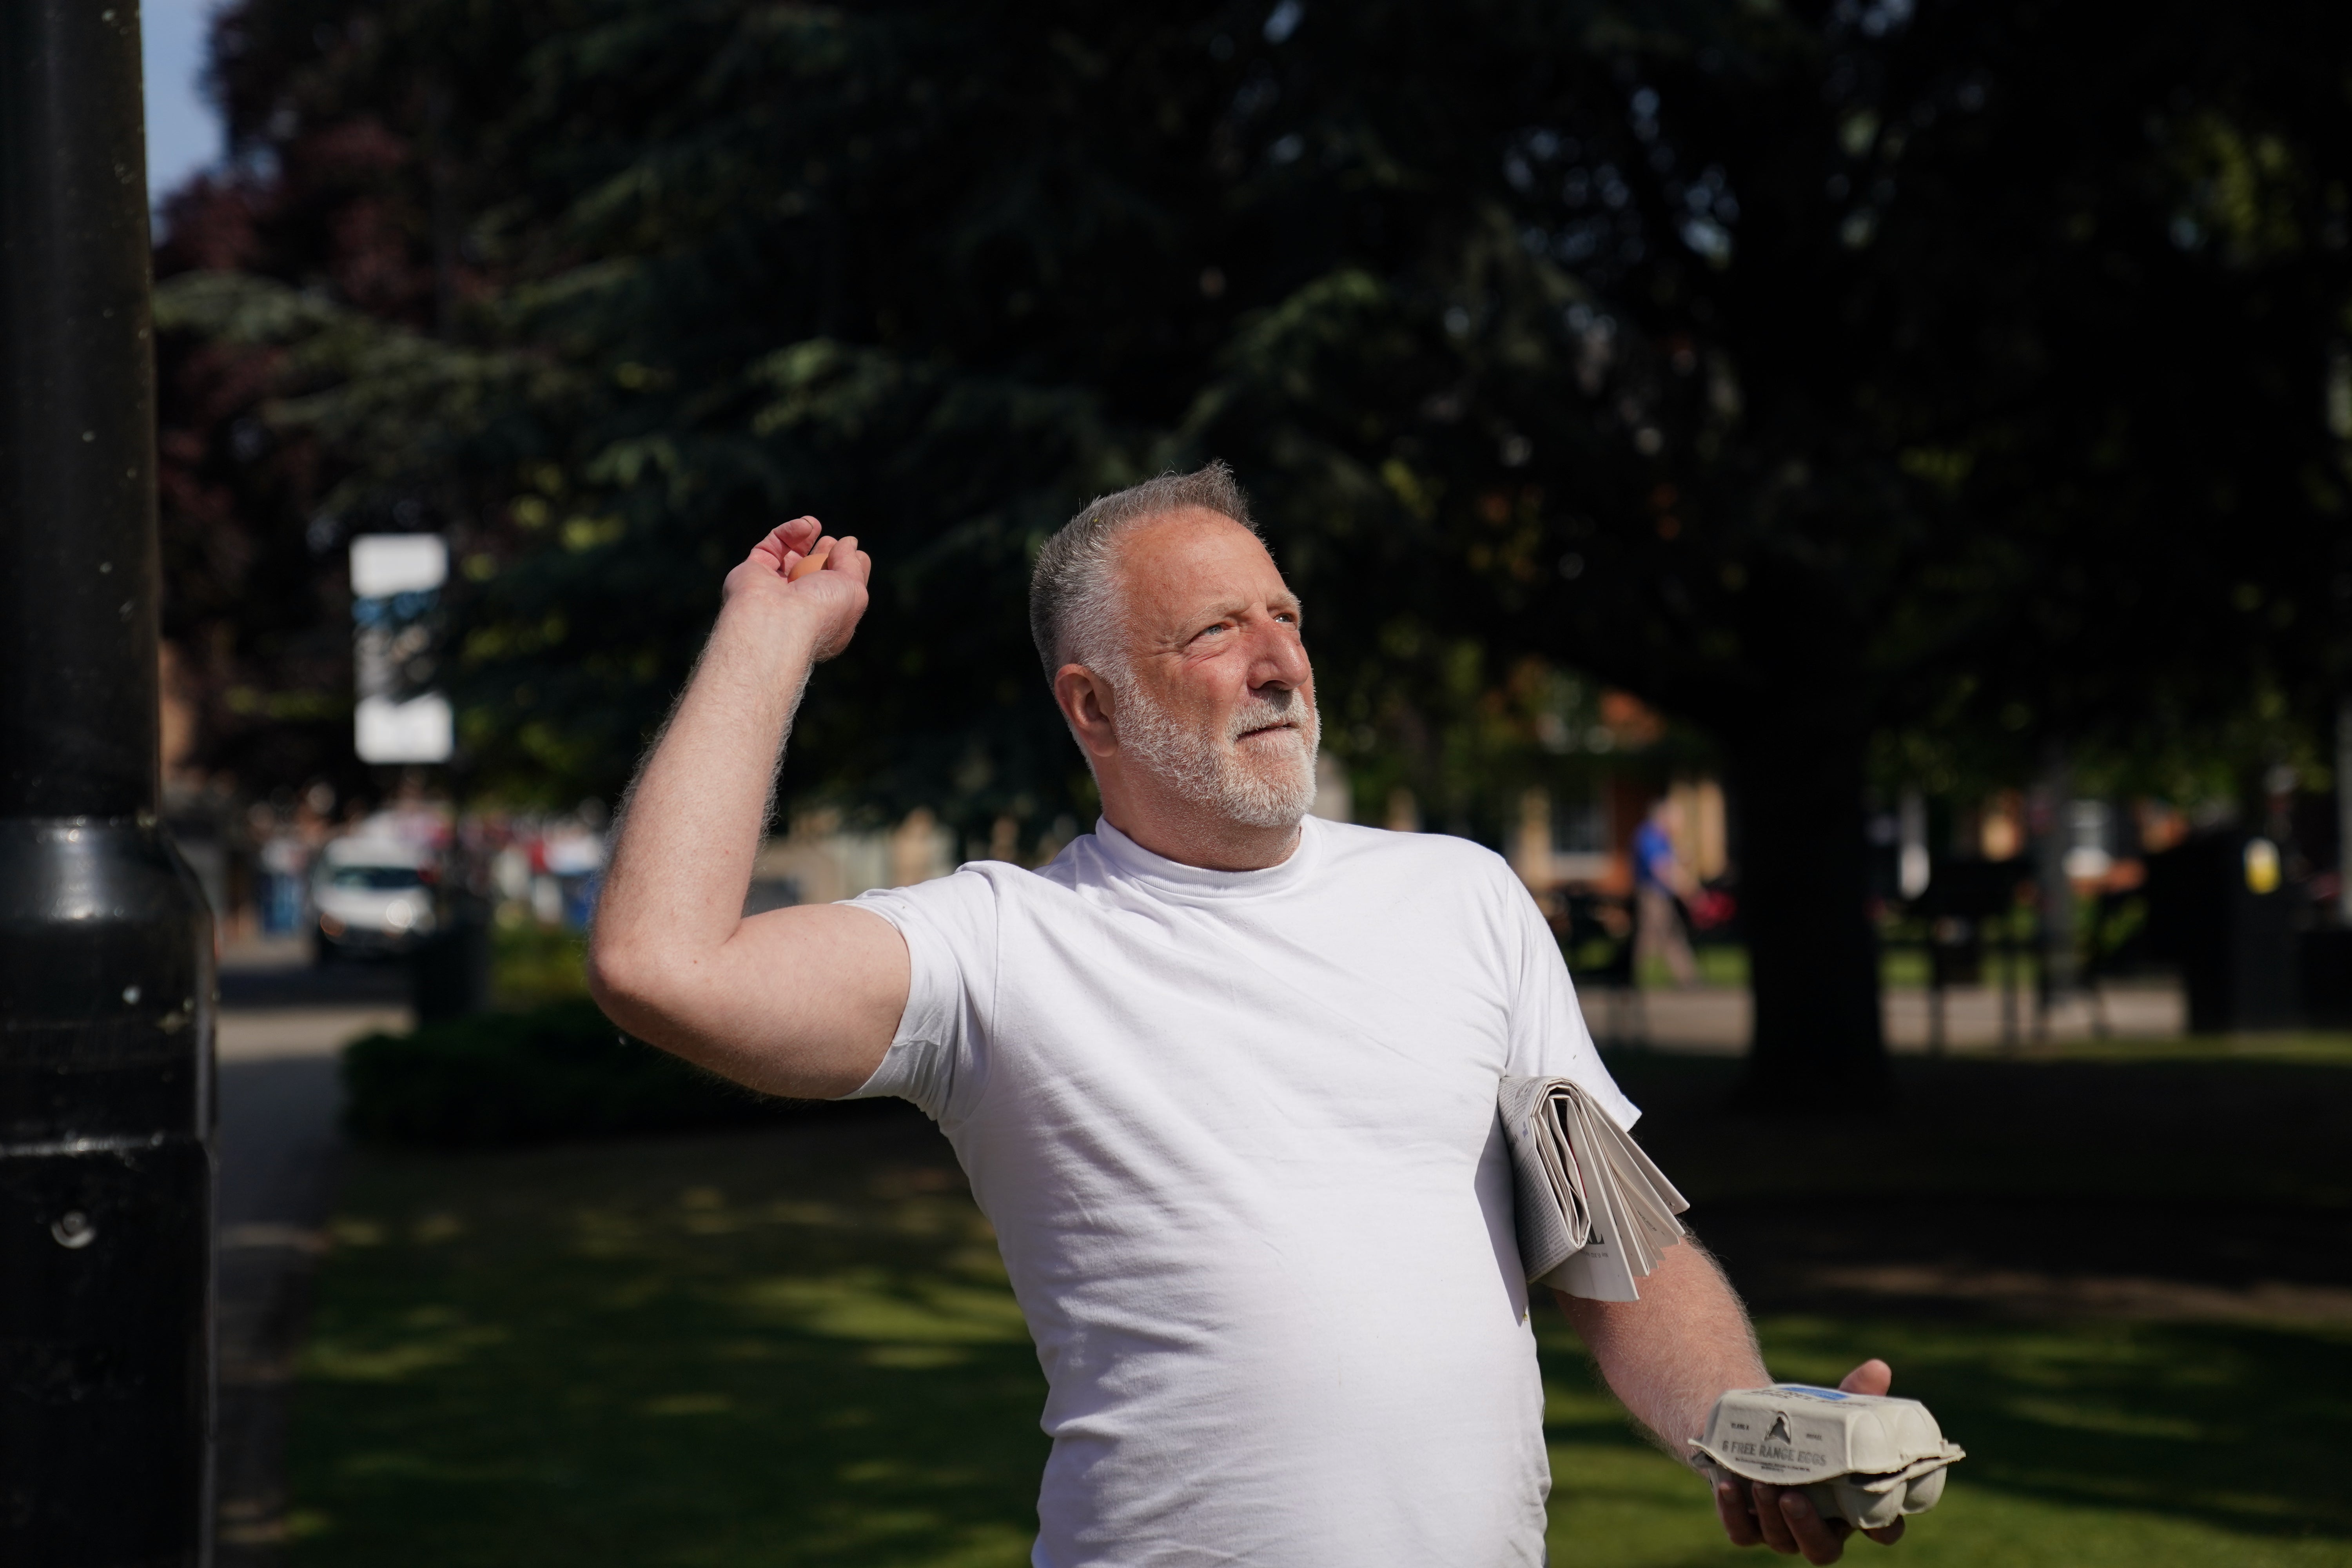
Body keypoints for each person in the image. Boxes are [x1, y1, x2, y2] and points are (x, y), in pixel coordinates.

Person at [588, 465, 1903, 1567]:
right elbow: (663, 966)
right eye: (1215, 632)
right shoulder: (999, 949)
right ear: (1092, 704)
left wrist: (1747, 1421)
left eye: (1286, 616)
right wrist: (765, 638)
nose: (1280, 662)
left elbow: (1612, 1250)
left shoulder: (1465, 901)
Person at [1632, 795, 1701, 989]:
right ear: (1665, 817)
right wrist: (1688, 891)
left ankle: (1688, 977)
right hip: (1652, 896)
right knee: (1659, 937)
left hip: (1660, 895)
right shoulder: (1650, 837)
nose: (1681, 824)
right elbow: (1662, 869)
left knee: (1659, 936)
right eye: (1678, 818)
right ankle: (1688, 978)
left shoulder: (1662, 839)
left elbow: (1671, 865)